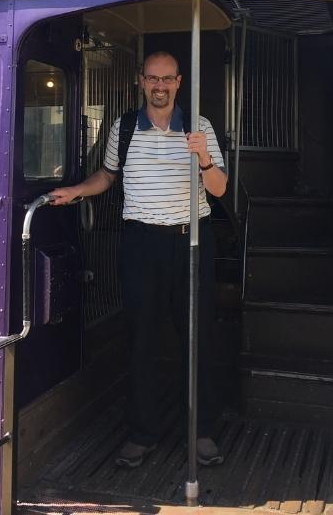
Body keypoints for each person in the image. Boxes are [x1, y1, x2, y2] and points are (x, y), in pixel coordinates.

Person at [50, 51, 227, 468]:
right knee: (142, 339)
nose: (160, 86)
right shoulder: (124, 127)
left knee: (196, 338)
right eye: (152, 79)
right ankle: (142, 433)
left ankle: (202, 432)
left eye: (167, 79)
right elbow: (107, 177)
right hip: (140, 244)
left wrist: (202, 157)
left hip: (191, 243)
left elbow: (218, 189)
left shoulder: (199, 128)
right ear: (141, 82)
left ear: (179, 81)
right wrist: (76, 191)